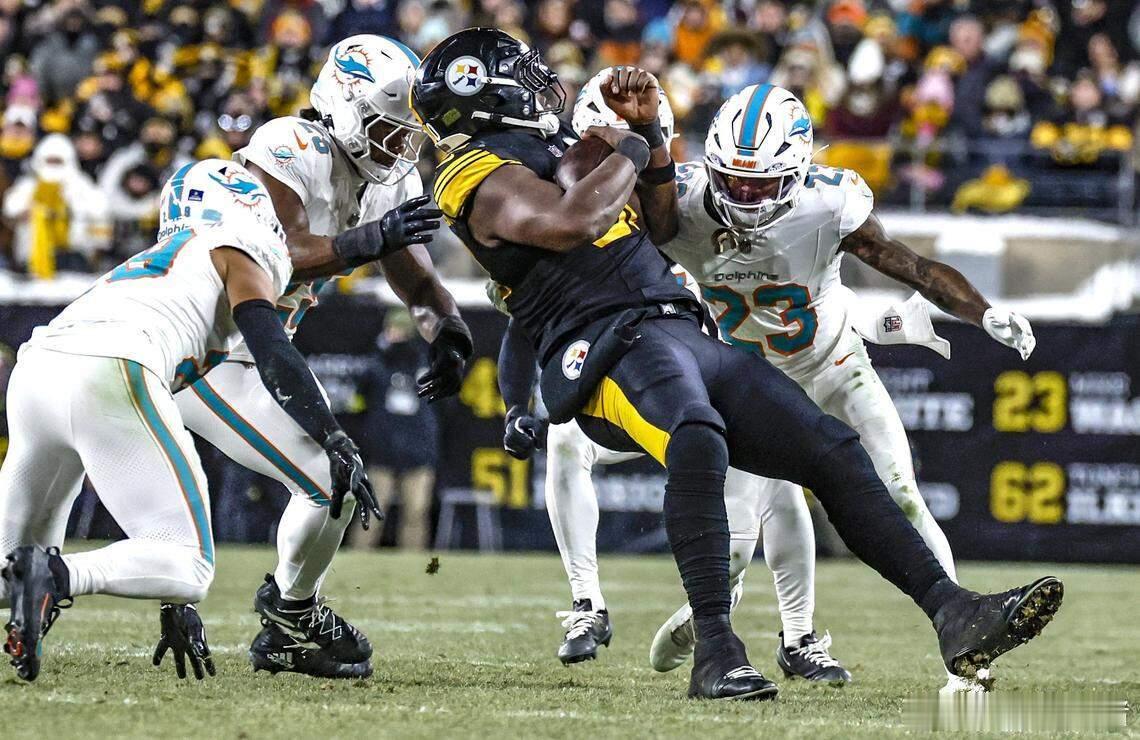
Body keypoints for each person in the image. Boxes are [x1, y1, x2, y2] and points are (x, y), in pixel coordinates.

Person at [412, 28, 1062, 701]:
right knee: (696, 438)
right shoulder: (470, 175)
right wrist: (632, 142)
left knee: (830, 447)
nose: (540, 83)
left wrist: (646, 136)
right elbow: (574, 221)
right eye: (521, 76)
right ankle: (715, 650)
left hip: (675, 326)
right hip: (603, 346)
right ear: (485, 96)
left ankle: (954, 612)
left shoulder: (552, 150)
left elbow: (642, 209)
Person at [579, 80, 1037, 691]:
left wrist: (983, 312)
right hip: (752, 388)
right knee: (734, 548)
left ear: (796, 173)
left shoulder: (828, 202)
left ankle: (966, 649)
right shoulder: (681, 198)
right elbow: (638, 229)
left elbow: (914, 267)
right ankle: (707, 617)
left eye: (761, 185)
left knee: (903, 496)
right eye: (733, 181)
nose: (744, 197)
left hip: (835, 366)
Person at [499, 69, 848, 682]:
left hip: (713, 379)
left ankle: (797, 636)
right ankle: (587, 603)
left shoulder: (693, 200)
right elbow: (525, 325)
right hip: (636, 392)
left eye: (620, 150)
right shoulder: (572, 223)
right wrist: (515, 403)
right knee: (566, 439)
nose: (609, 165)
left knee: (779, 485)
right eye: (597, 150)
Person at [0, 159, 379, 682]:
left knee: (8, 571)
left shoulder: (158, 260)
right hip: (113, 370)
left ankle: (42, 574)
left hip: (37, 371)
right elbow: (271, 348)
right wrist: (331, 435)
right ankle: (60, 576)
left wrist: (169, 600)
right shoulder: (239, 248)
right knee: (189, 563)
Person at [171, 35, 471, 680]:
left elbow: (417, 283)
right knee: (330, 473)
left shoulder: (389, 178)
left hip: (254, 351)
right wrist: (369, 239)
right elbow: (275, 253)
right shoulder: (292, 144)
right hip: (204, 348)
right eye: (387, 129)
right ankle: (292, 617)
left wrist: (447, 328)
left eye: (408, 133)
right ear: (344, 105)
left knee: (334, 477)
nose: (400, 146)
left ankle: (290, 614)